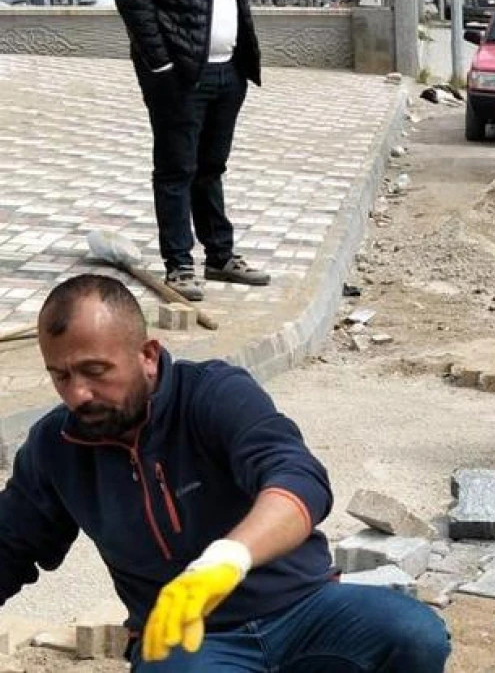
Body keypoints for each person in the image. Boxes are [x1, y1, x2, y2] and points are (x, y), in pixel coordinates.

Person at [0, 275, 451, 672]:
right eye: (60, 376)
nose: (78, 394)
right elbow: (10, 545)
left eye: (95, 371)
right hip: (190, 641)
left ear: (148, 356)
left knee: (413, 634)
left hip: (302, 608)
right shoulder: (55, 447)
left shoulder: (213, 395)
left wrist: (224, 562)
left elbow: (297, 478)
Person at [114, 0, 268, 303]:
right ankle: (180, 264)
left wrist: (242, 63)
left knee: (210, 168)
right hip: (180, 75)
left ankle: (219, 256)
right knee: (176, 169)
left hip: (228, 74)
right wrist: (160, 63)